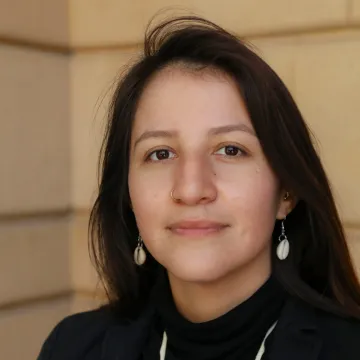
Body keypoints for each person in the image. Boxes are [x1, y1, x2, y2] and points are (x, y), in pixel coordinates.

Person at [37, 16, 360, 360]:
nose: (191, 189)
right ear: (128, 195)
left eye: (230, 150)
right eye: (160, 153)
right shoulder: (72, 347)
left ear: (287, 192)